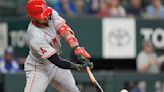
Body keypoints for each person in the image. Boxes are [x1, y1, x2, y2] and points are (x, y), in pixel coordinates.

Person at [24, 0, 93, 92]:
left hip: (56, 67)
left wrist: (76, 48)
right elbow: (56, 60)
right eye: (41, 16)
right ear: (32, 17)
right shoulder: (34, 36)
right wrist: (78, 67)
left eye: (45, 13)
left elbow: (65, 31)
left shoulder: (51, 13)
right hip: (39, 68)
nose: (45, 17)